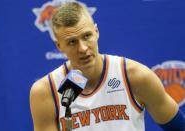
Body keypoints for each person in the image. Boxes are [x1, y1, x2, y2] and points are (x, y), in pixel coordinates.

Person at [30, 2, 185, 131]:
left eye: (87, 36)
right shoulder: (46, 92)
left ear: (96, 32)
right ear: (59, 46)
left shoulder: (134, 76)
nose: (83, 48)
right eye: (72, 42)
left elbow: (178, 127)